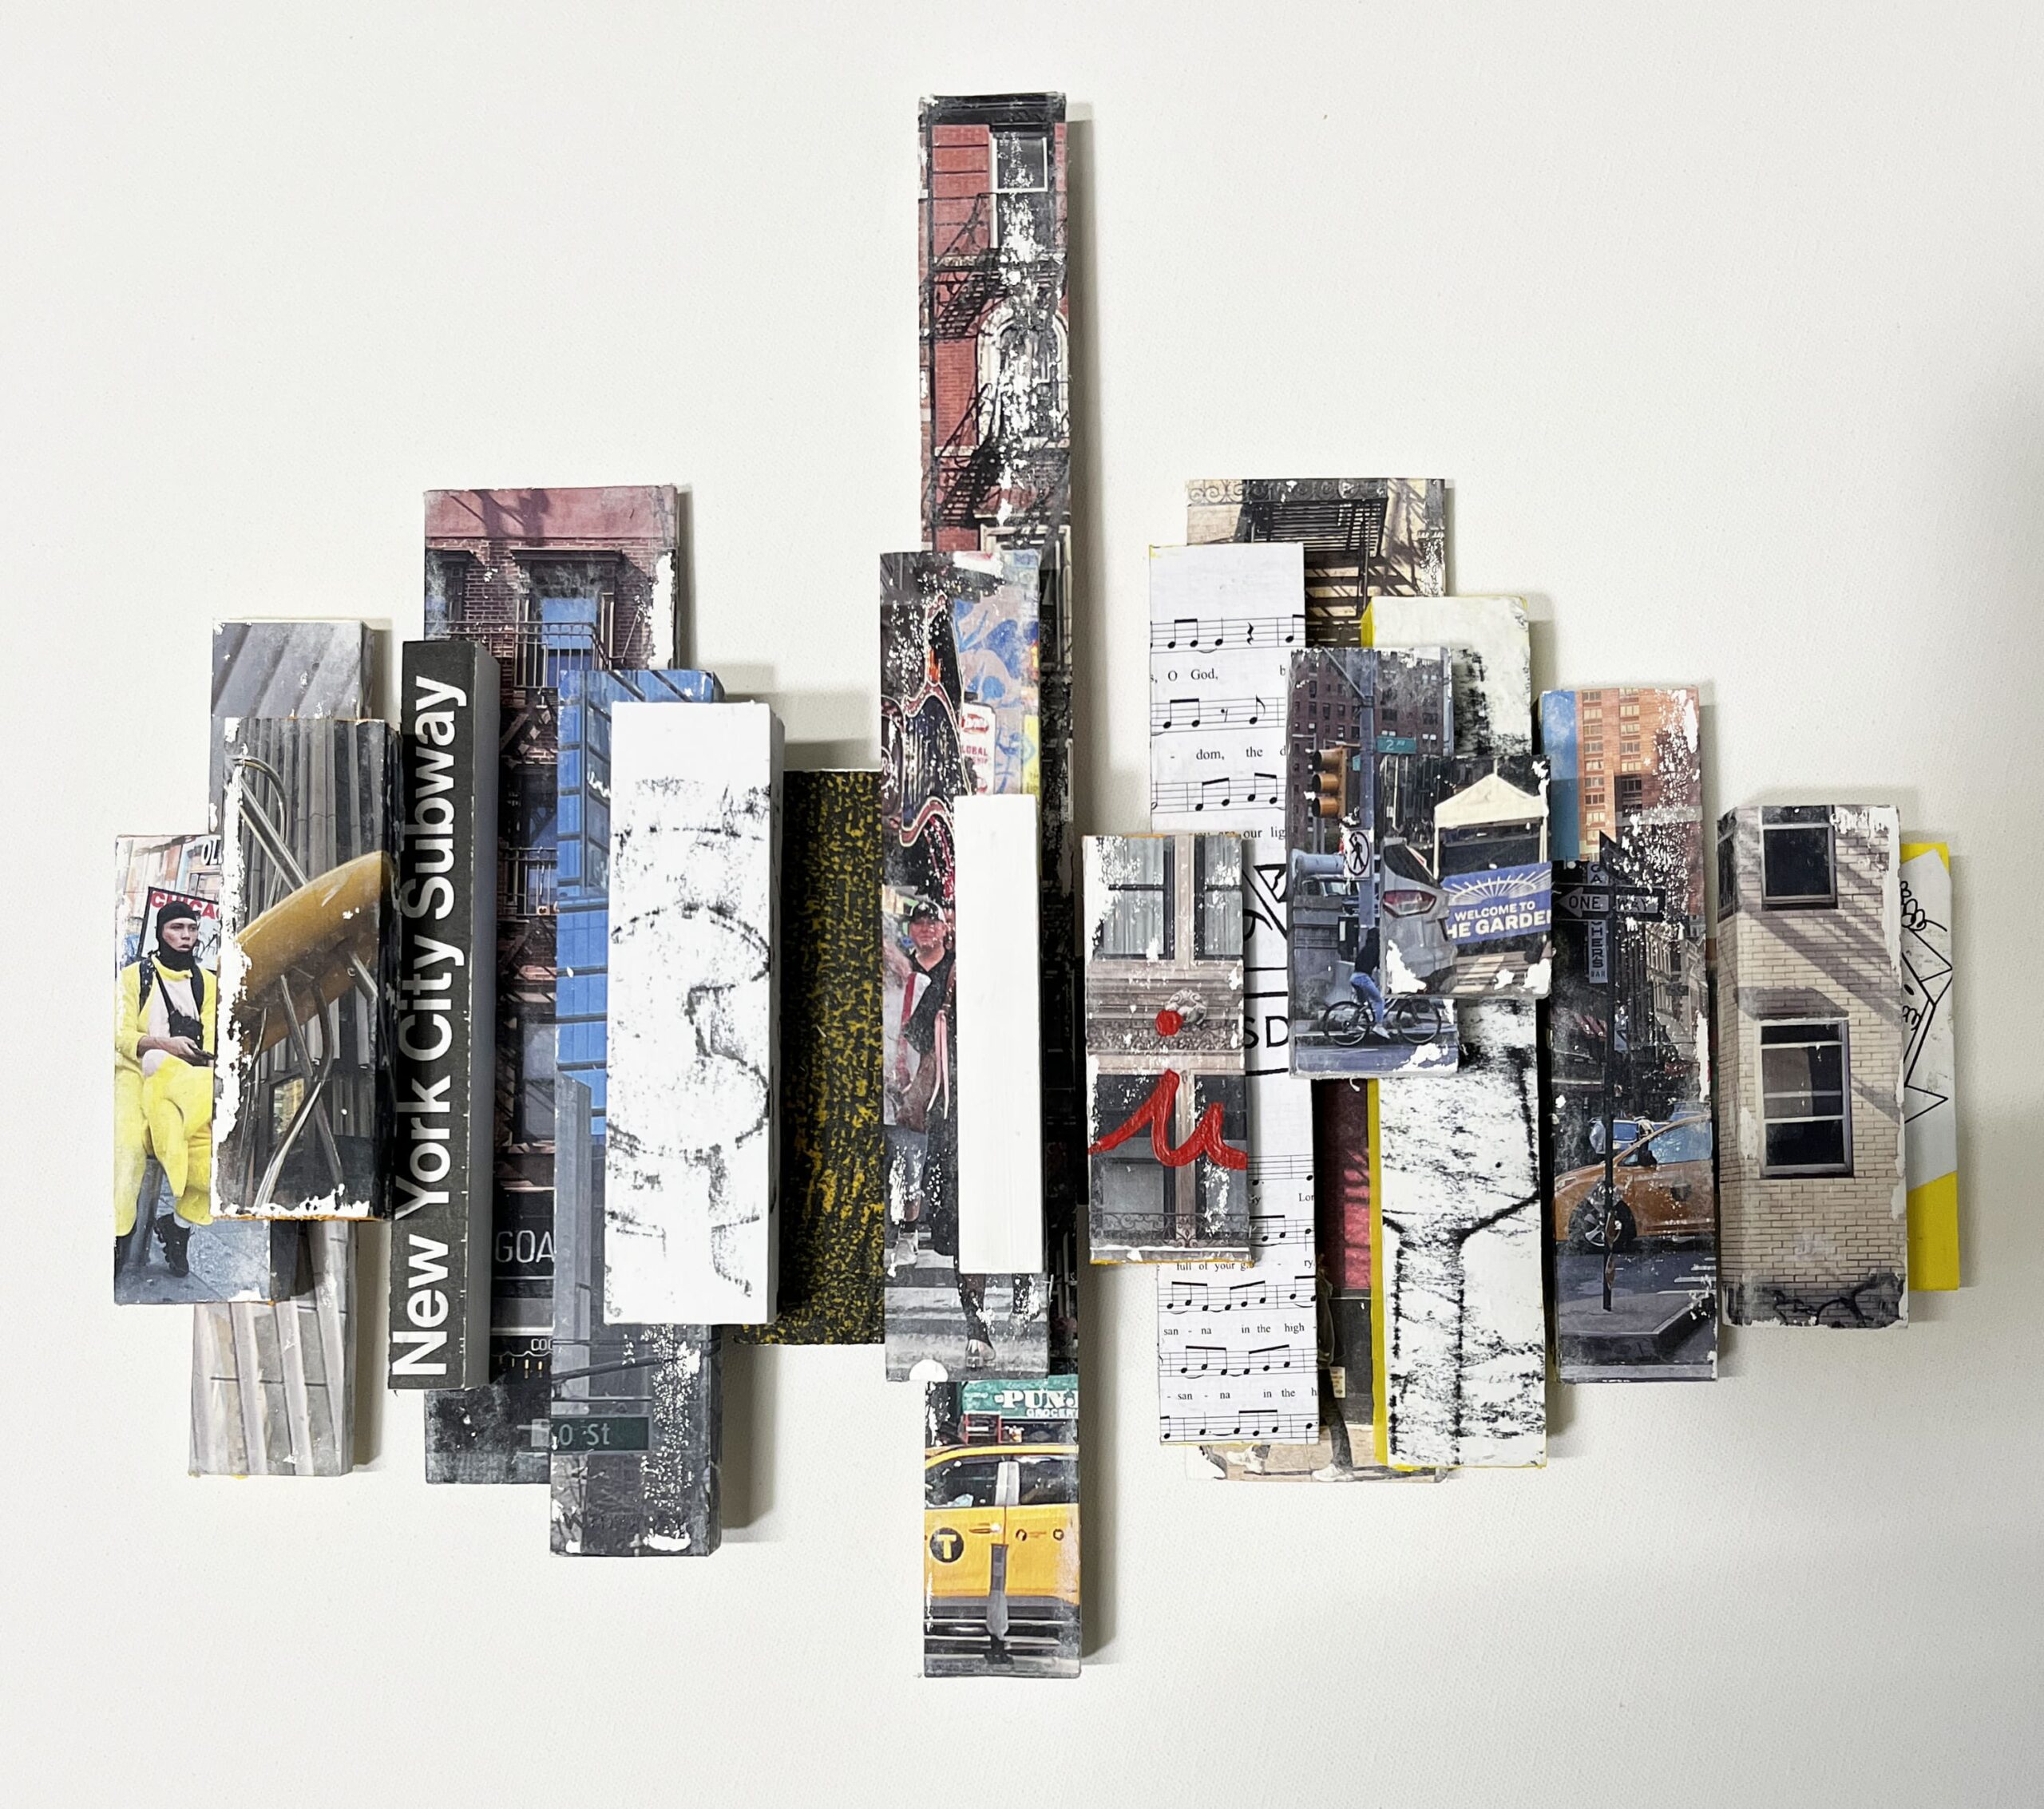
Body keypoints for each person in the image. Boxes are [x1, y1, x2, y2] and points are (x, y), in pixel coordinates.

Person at [113, 898, 216, 1277]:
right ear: (161, 932)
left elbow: (215, 1037)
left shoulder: (207, 983)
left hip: (186, 1077)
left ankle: (179, 1228)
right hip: (134, 1074)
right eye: (177, 928)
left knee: (210, 1153)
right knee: (126, 1148)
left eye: (191, 928)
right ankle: (116, 1236)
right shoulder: (133, 977)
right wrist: (162, 1044)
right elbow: (119, 1034)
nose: (186, 935)